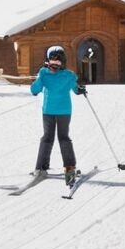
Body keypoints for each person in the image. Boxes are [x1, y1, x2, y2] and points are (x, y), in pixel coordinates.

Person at [30, 44, 86, 185]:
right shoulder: (44, 74)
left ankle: (70, 168)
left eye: (58, 62)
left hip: (62, 111)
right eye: (52, 62)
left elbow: (75, 89)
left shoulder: (68, 75)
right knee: (47, 138)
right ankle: (41, 167)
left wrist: (80, 89)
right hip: (49, 111)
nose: (55, 65)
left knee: (63, 138)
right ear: (48, 61)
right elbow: (34, 90)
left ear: (63, 62)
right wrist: (40, 77)